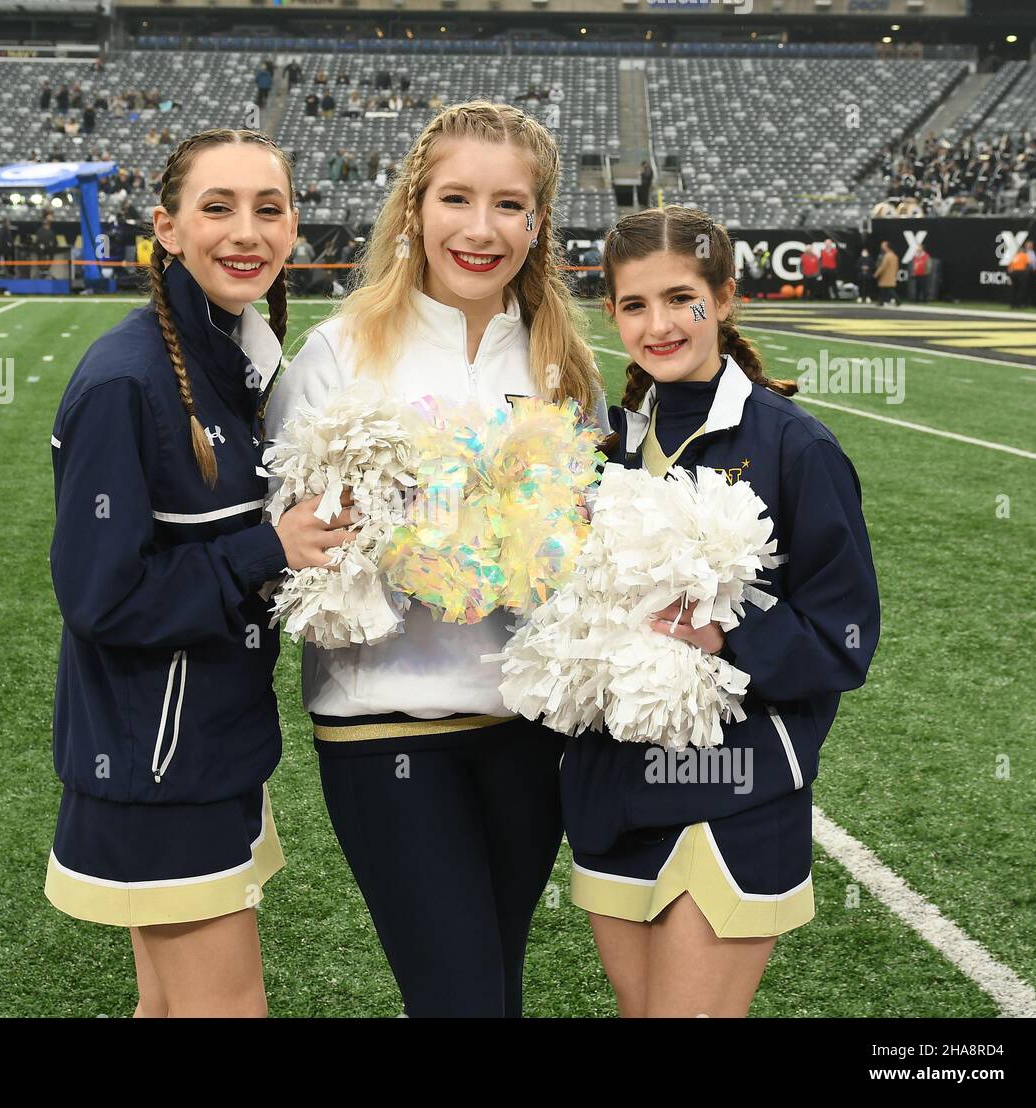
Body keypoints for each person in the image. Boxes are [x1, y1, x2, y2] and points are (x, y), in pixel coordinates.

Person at [265, 99, 608, 1018]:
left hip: (527, 734)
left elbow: (588, 542)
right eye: (457, 198)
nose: (481, 228)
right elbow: (289, 548)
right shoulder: (341, 351)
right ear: (416, 206)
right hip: (387, 726)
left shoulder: (560, 364)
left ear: (537, 226)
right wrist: (401, 534)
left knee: (494, 988)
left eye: (510, 206)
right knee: (461, 999)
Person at [44, 128, 350, 1017]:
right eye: (217, 208)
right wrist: (272, 547)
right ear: (166, 229)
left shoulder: (238, 359)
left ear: (295, 227)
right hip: (160, 764)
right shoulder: (127, 383)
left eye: (269, 209)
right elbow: (104, 598)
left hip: (204, 747)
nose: (245, 231)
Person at [568, 205, 879, 1017]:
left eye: (682, 299)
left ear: (726, 299)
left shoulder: (794, 446)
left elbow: (846, 639)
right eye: (635, 305)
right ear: (611, 314)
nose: (660, 324)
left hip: (731, 789)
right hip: (614, 788)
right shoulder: (604, 453)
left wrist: (728, 632)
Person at [874, 240, 899, 306]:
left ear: (887, 247)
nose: (882, 247)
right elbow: (896, 266)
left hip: (885, 275)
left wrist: (877, 273)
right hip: (891, 275)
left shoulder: (887, 256)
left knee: (886, 289)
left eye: (883, 246)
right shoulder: (894, 255)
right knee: (887, 289)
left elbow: (883, 266)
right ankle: (883, 302)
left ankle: (896, 301)